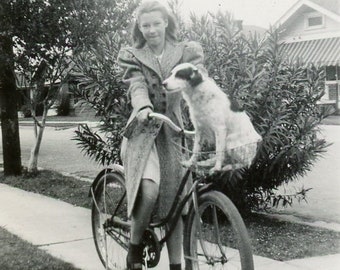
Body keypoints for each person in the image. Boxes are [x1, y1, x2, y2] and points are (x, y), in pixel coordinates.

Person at [117, 1, 207, 269]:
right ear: (139, 27)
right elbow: (136, 85)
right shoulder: (133, 54)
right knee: (150, 189)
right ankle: (134, 246)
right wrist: (142, 105)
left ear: (166, 22)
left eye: (156, 23)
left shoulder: (185, 51)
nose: (151, 30)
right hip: (143, 130)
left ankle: (176, 265)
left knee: (175, 204)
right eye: (145, 25)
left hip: (172, 130)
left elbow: (198, 77)